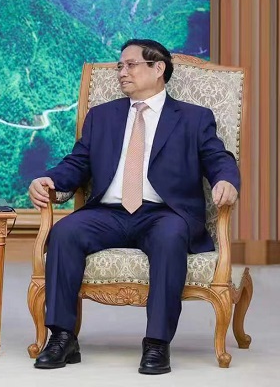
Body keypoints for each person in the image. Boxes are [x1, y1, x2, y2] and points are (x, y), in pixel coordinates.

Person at [29, 39, 239, 375]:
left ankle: (157, 343)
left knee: (170, 238)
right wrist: (49, 180)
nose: (122, 72)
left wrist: (226, 180)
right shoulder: (102, 116)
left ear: (158, 69)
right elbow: (77, 163)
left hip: (164, 213)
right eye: (120, 66)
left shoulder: (193, 118)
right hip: (108, 213)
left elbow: (218, 158)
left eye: (131, 65)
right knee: (65, 232)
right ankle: (62, 337)